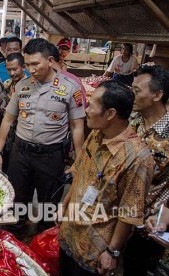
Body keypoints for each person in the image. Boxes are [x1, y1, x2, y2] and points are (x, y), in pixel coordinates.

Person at [59, 80, 155, 275]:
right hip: (70, 233)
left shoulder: (137, 158)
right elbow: (80, 172)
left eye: (92, 105)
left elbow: (130, 212)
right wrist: (65, 205)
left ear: (110, 114)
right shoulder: (96, 134)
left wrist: (112, 251)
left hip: (95, 250)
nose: (86, 110)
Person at [0, 38, 85, 230]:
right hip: (21, 153)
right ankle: (15, 238)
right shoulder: (22, 86)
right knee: (17, 202)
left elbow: (77, 126)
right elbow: (8, 120)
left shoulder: (69, 88)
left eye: (36, 64)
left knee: (47, 205)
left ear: (50, 61)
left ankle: (41, 241)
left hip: (51, 156)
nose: (31, 69)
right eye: (28, 65)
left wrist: (79, 160)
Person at [124, 65, 169, 275]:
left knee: (137, 266)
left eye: (137, 90)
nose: (131, 94)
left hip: (150, 222)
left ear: (157, 95)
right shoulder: (131, 121)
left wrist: (166, 213)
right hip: (120, 213)